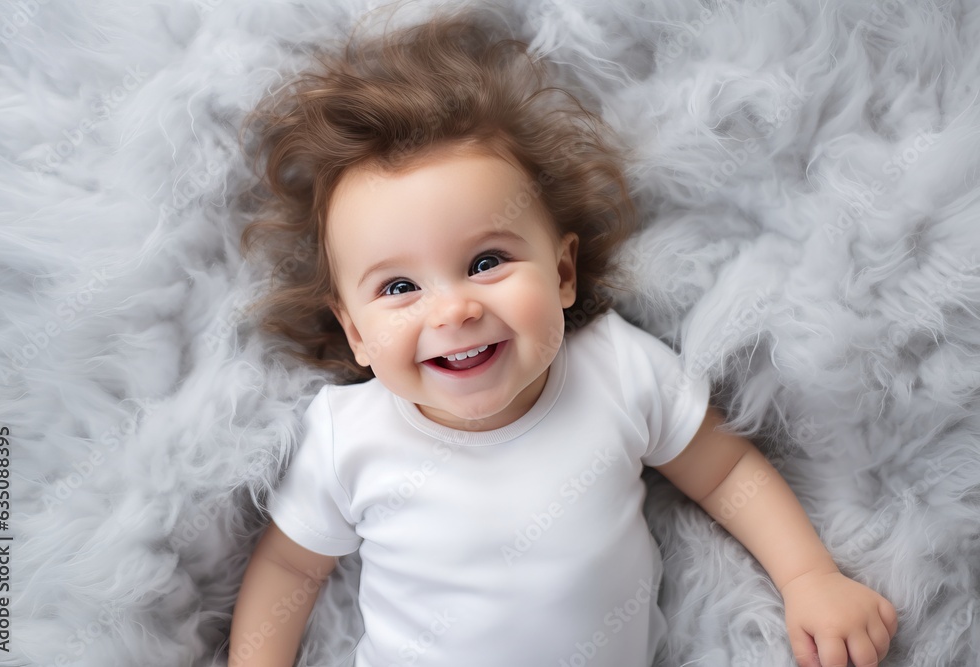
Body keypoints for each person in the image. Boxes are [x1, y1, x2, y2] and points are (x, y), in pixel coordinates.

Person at [228, 6, 897, 667]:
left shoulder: (618, 369)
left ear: (564, 272)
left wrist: (808, 577)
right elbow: (290, 566)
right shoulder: (351, 434)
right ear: (356, 334)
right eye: (399, 288)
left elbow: (726, 470)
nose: (453, 310)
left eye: (486, 262)